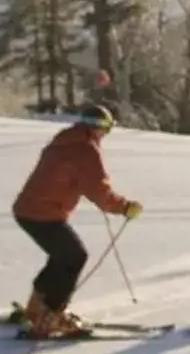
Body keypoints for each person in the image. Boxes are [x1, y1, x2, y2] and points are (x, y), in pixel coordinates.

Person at [12, 102, 142, 337]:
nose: (106, 135)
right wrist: (125, 208)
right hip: (44, 213)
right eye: (107, 129)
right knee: (74, 257)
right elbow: (99, 191)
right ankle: (51, 317)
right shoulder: (85, 150)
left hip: (28, 210)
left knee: (62, 257)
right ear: (98, 128)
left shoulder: (64, 139)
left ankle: (36, 309)